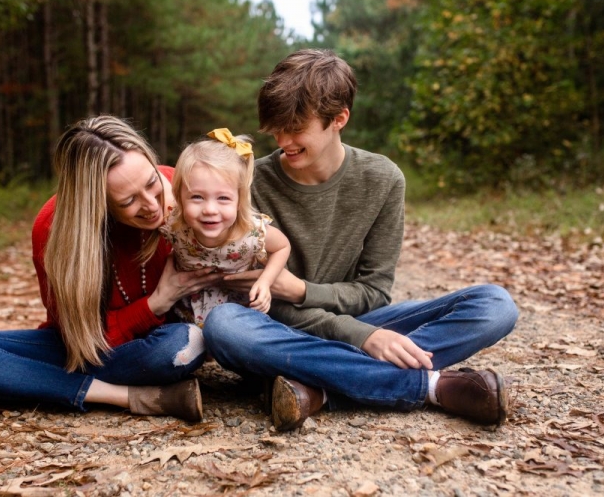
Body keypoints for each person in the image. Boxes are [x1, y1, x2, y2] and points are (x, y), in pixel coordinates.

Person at [203, 49, 519, 431]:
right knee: (224, 325)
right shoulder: (250, 183)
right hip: (279, 333)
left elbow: (374, 292)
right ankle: (430, 387)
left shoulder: (383, 179)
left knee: (495, 305)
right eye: (276, 128)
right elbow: (262, 302)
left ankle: (323, 389)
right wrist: (364, 338)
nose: (283, 140)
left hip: (346, 327)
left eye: (296, 128)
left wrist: (305, 292)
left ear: (339, 119)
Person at [0, 116, 223, 422]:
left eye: (151, 182)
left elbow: (241, 243)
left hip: (155, 346)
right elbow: (79, 339)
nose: (152, 205)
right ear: (96, 203)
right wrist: (156, 303)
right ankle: (124, 396)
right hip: (85, 348)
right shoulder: (54, 228)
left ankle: (12, 383)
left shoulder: (186, 194)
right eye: (129, 200)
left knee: (182, 343)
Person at [160, 128, 291, 327]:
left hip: (237, 317)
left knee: (227, 330)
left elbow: (282, 246)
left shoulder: (250, 232)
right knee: (176, 338)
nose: (210, 210)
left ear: (239, 201)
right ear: (179, 197)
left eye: (223, 198)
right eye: (197, 197)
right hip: (186, 315)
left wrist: (265, 281)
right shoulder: (175, 226)